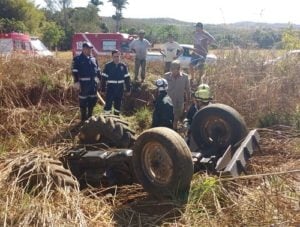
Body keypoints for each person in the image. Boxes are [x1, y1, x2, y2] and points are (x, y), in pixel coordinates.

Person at [72, 41, 101, 122]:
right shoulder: (78, 59)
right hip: (83, 85)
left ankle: (89, 118)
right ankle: (83, 119)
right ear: (84, 49)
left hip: (93, 84)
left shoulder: (93, 59)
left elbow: (98, 71)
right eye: (88, 49)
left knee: (92, 101)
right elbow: (74, 71)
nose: (90, 51)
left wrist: (99, 81)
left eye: (91, 49)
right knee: (83, 102)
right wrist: (76, 82)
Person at [101, 49, 131, 115]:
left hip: (120, 88)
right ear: (112, 57)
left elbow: (127, 78)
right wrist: (103, 89)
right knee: (108, 103)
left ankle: (116, 117)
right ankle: (107, 118)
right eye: (115, 56)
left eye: (118, 56)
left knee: (118, 104)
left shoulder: (123, 66)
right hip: (110, 88)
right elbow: (103, 78)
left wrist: (128, 89)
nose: (117, 58)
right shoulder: (108, 66)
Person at [164, 60, 190, 130]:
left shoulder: (185, 77)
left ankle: (174, 131)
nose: (172, 71)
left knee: (176, 118)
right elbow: (162, 88)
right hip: (168, 102)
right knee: (168, 118)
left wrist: (187, 104)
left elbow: (188, 91)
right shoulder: (166, 76)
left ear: (179, 69)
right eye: (171, 69)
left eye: (174, 69)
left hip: (179, 102)